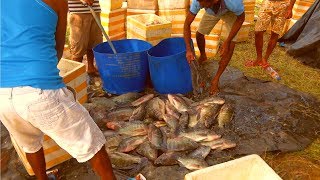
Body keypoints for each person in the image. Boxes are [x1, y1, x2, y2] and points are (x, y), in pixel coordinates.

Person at [0, 0, 116, 180]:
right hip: (40, 89)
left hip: (3, 93)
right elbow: (57, 47)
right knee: (93, 143)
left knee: (29, 144)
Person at [184, 0, 245, 95]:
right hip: (212, 11)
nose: (200, 5)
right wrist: (188, 49)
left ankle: (216, 79)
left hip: (230, 13)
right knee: (199, 34)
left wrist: (227, 41)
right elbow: (187, 24)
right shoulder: (199, 2)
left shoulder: (234, 3)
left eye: (203, 3)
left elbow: (241, 19)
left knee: (230, 46)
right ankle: (203, 56)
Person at [245, 0, 296, 75]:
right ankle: (259, 58)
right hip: (268, 3)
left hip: (283, 5)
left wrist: (290, 8)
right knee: (258, 31)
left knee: (275, 33)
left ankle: (265, 59)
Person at [68, 0, 102, 75]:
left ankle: (91, 67)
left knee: (94, 43)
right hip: (78, 13)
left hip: (95, 10)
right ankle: (75, 75)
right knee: (79, 46)